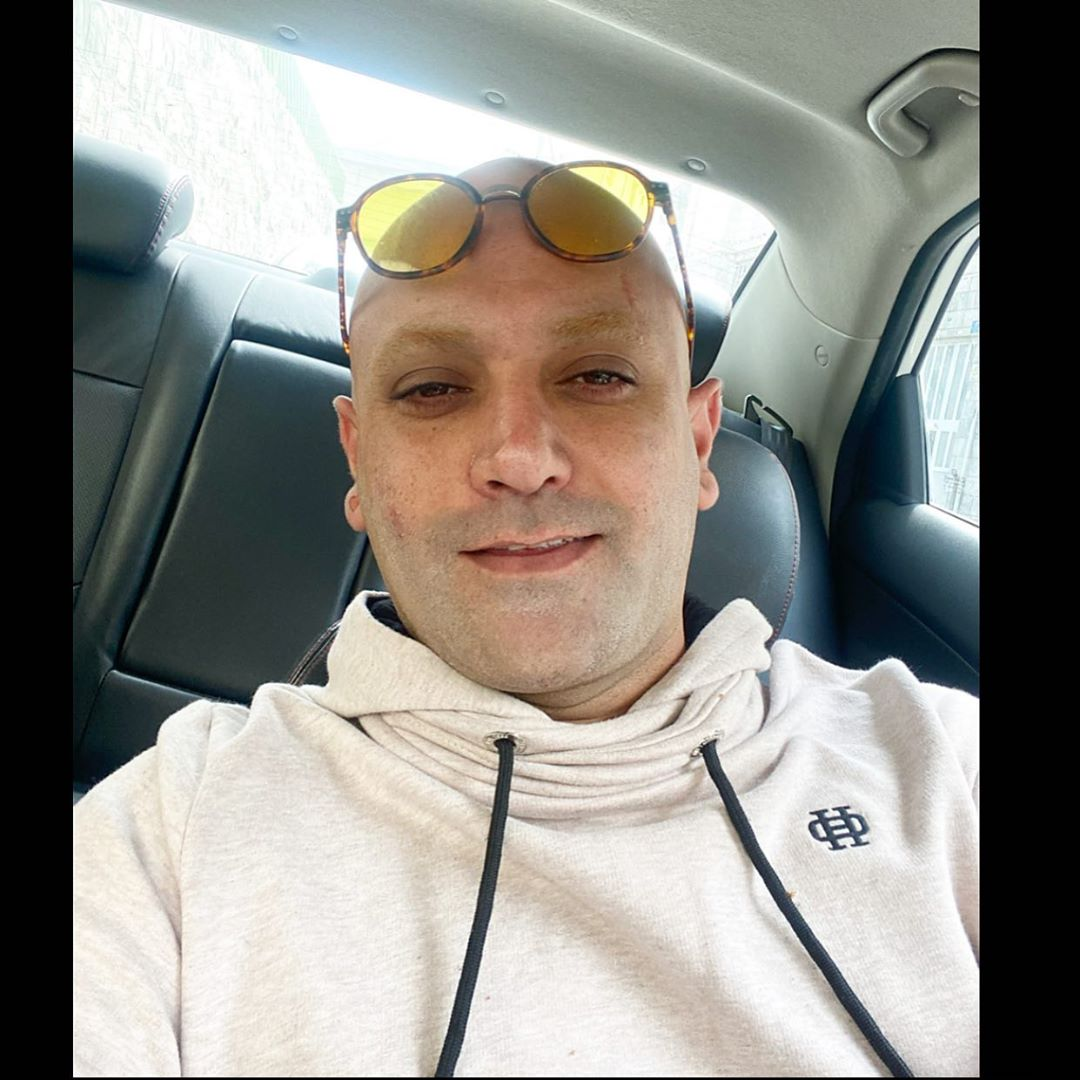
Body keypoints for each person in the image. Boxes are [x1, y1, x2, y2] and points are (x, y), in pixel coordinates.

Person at [74, 157, 979, 1078]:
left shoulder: (940, 761)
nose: (518, 458)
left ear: (700, 441)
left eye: (598, 375)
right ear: (358, 460)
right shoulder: (172, 835)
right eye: (432, 388)